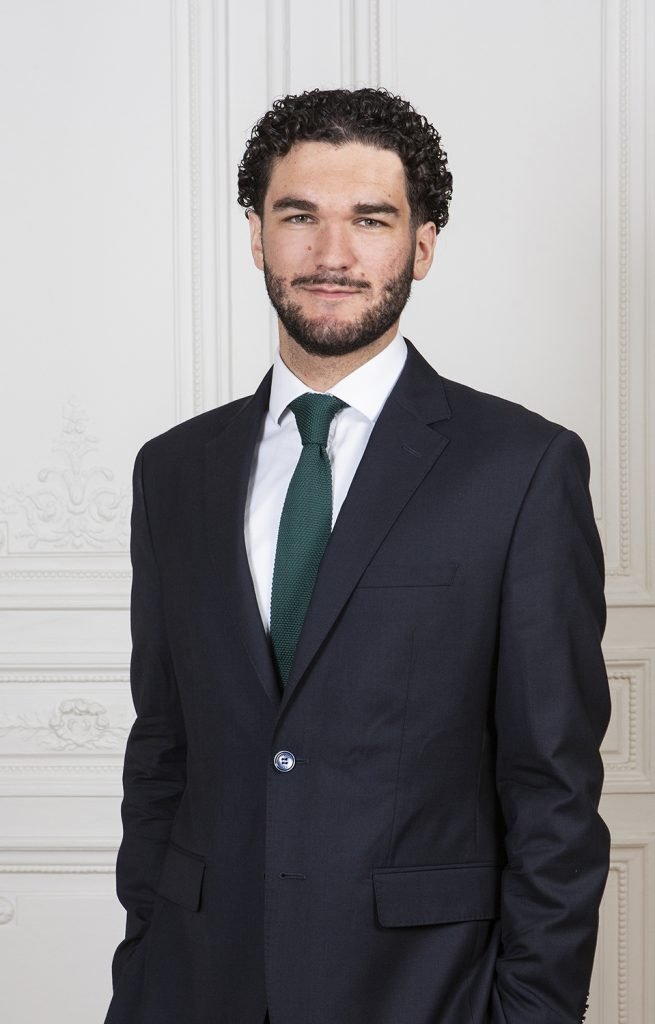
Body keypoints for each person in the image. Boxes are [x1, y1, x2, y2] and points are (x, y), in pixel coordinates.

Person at [105, 87, 610, 1024]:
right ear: (256, 236)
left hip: (422, 989)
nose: (331, 255)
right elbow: (163, 750)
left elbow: (552, 786)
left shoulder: (521, 468)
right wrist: (141, 966)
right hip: (193, 982)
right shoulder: (173, 470)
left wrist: (533, 1012)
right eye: (299, 216)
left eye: (370, 220)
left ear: (421, 246)